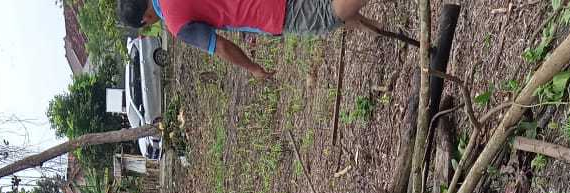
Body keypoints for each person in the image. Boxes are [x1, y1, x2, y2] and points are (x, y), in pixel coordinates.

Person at [118, 0, 416, 79]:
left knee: (328, 14)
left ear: (144, 21)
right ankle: (376, 27)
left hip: (267, 11)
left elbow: (220, 45)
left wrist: (254, 68)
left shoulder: (175, 22)